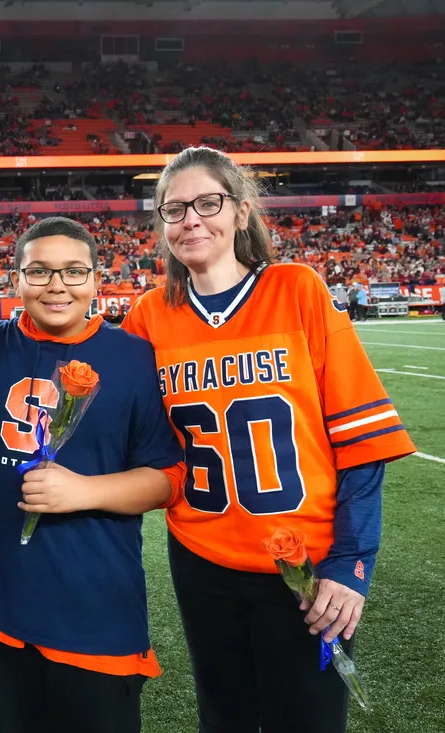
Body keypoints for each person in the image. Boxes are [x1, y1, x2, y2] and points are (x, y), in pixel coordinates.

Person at [122, 146, 416, 733]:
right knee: (224, 718)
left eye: (208, 203)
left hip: (305, 561)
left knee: (307, 719)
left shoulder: (297, 289)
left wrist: (352, 562)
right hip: (202, 557)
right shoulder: (149, 316)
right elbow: (129, 434)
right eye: (173, 209)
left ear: (241, 211)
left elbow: (362, 444)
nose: (191, 220)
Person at [0, 217, 186, 733]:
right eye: (39, 272)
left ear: (95, 279)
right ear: (15, 277)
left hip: (95, 601)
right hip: (8, 596)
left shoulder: (132, 358)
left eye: (73, 272)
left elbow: (170, 477)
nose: (57, 285)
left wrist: (84, 491)